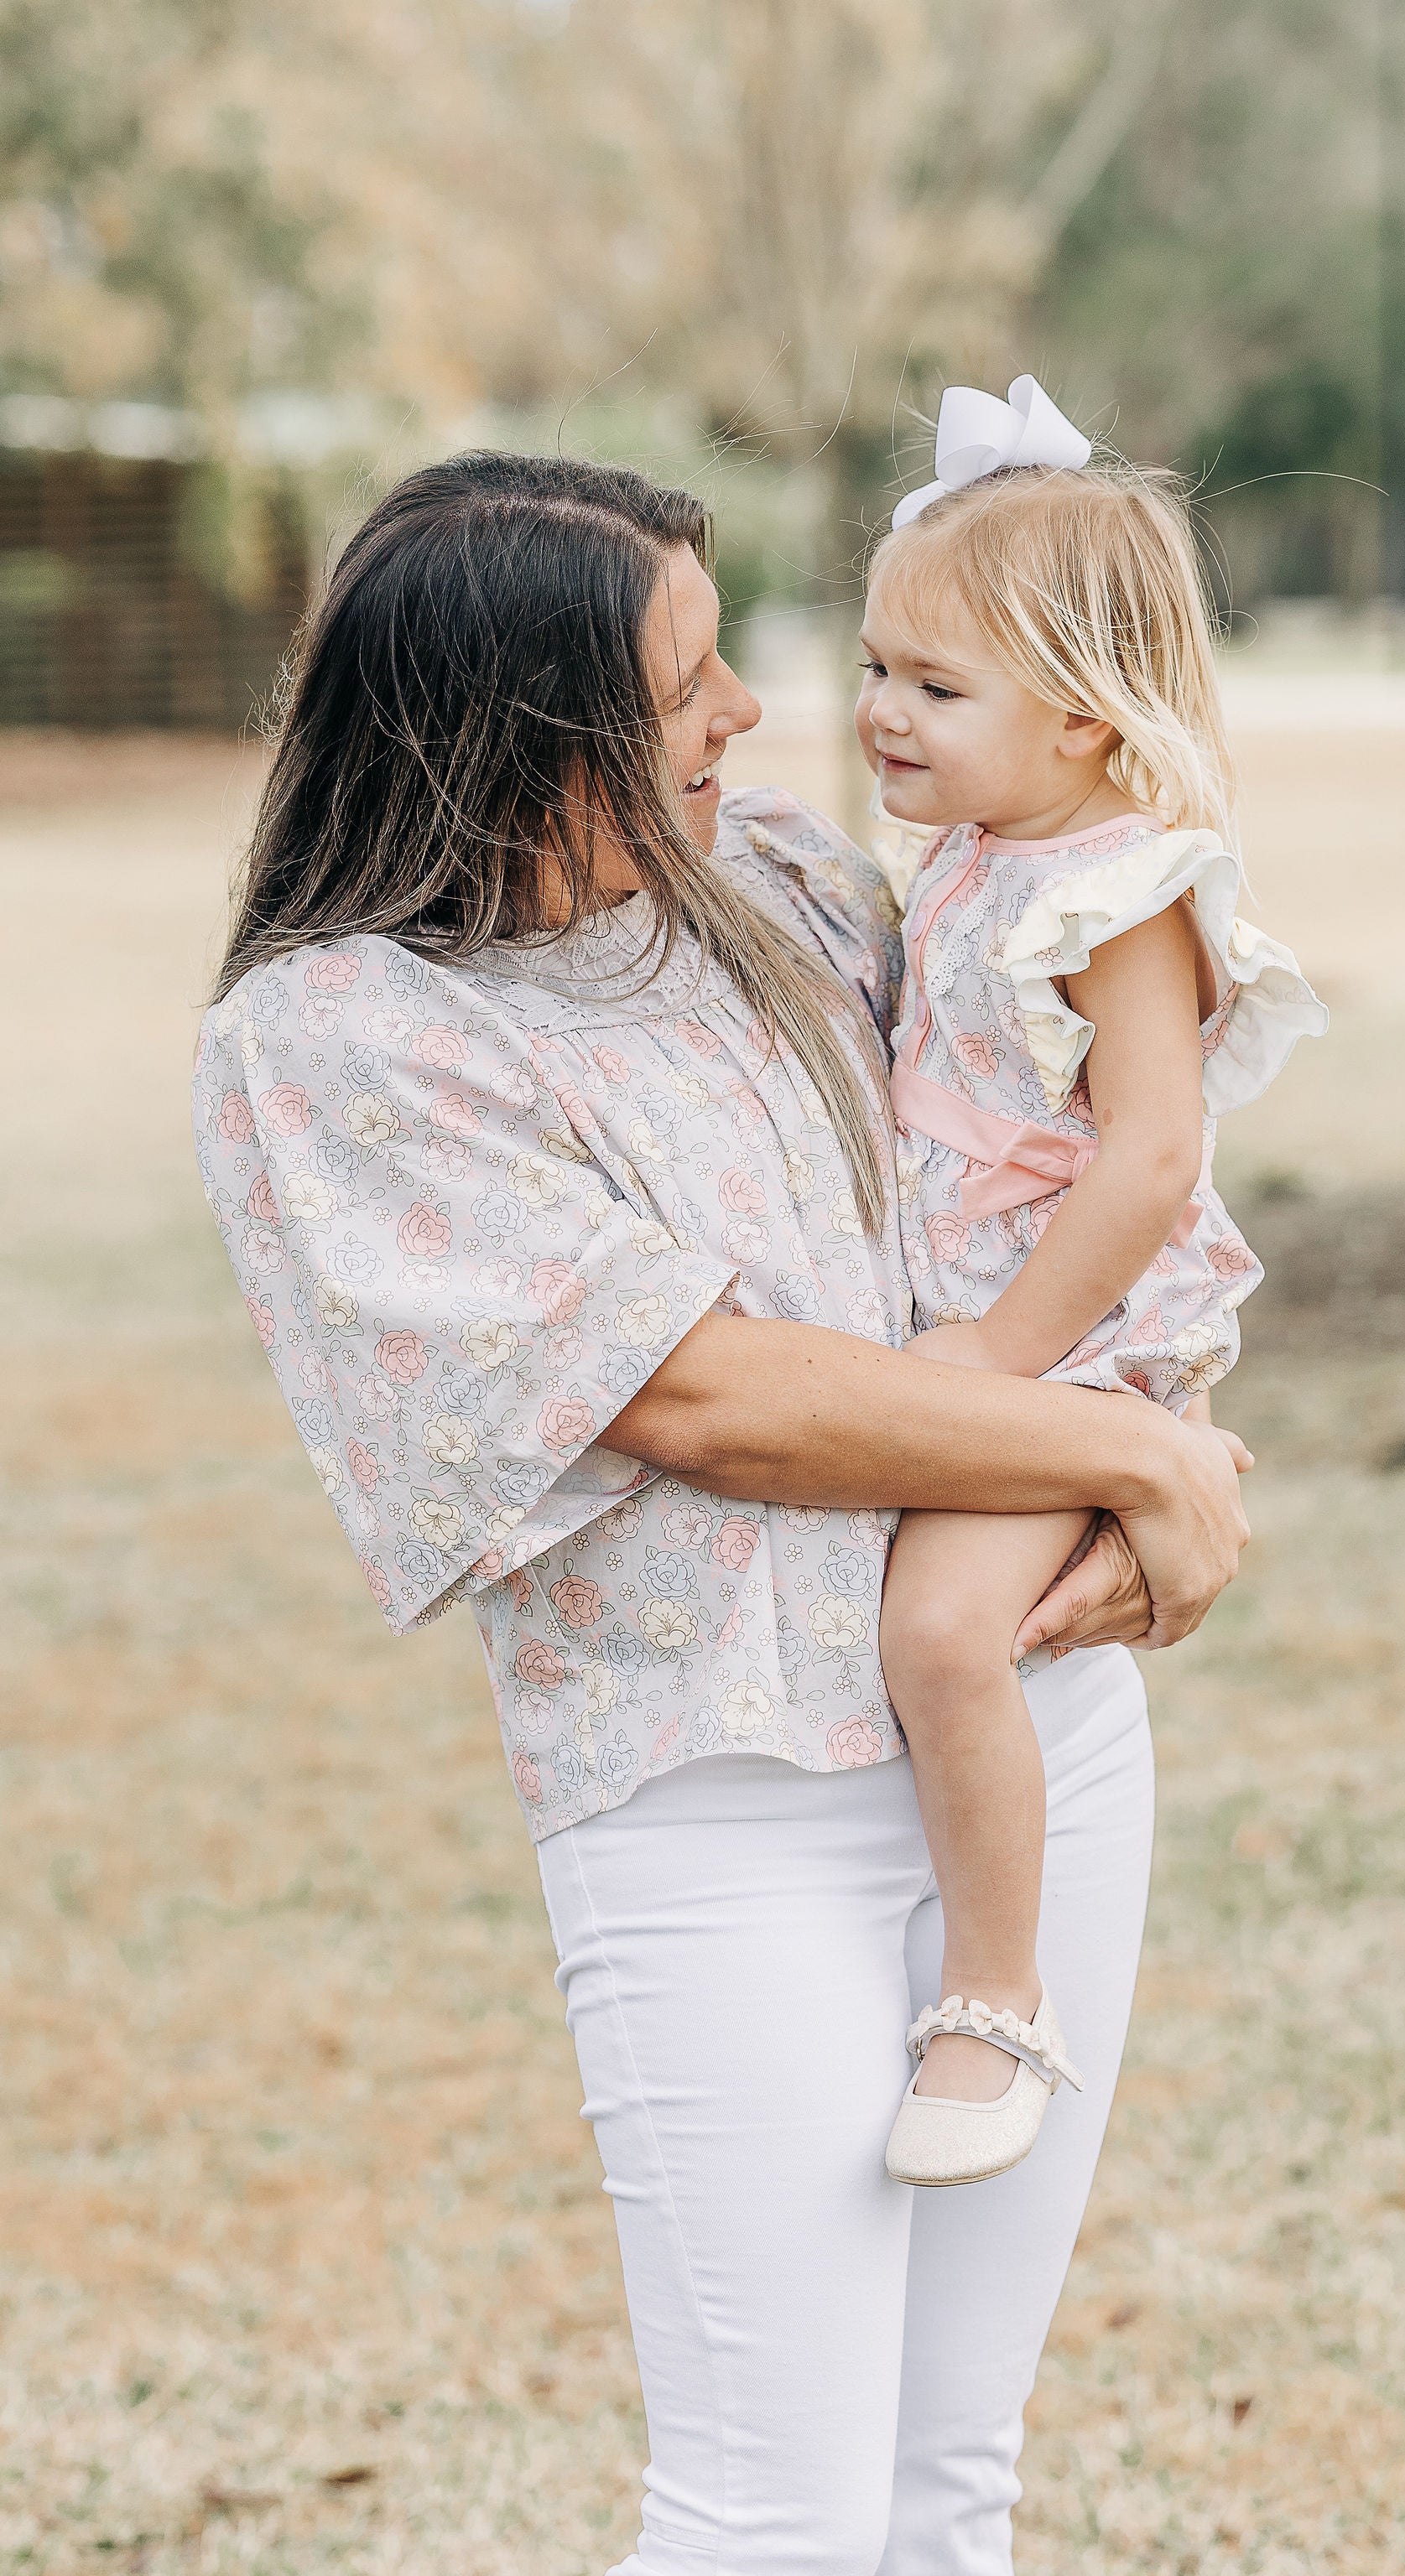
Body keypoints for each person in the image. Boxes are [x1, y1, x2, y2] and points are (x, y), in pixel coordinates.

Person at [192, 450, 1251, 2574]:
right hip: (718, 1791)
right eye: (686, 684)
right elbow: (706, 1401)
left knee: (950, 2481)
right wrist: (1132, 1460)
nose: (751, 718)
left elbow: (1046, 1158)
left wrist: (1166, 1403)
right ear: (518, 731)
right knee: (770, 2507)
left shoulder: (782, 885)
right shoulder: (341, 1040)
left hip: (1023, 1747)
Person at [858, 382, 1327, 2189]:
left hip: (1066, 1341)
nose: (882, 712)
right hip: (979, 1331)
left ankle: (994, 2005)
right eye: (880, 668)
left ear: (1077, 711)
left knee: (939, 1630)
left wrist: (1004, 1358)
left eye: (934, 686)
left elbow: (1143, 1156)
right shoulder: (975, 857)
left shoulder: (1124, 893)